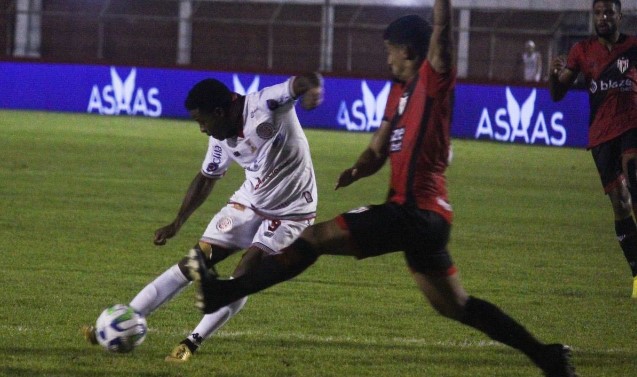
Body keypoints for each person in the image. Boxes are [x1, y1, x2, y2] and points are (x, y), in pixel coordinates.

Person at [187, 1, 577, 376]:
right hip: (424, 221)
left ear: (407, 50)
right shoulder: (397, 93)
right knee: (456, 305)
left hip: (415, 210)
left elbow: (442, 28)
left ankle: (224, 294)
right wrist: (359, 168)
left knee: (314, 238)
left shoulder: (432, 80)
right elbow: (378, 148)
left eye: (390, 51)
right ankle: (547, 358)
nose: (386, 58)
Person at [82, 73, 324, 361]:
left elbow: (303, 80)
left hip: (291, 212)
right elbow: (206, 178)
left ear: (220, 112)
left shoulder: (265, 104)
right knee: (194, 262)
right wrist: (177, 222)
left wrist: (313, 90)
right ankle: (122, 322)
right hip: (249, 203)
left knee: (243, 275)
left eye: (202, 121)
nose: (202, 129)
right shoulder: (220, 137)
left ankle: (190, 343)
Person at [549, 0, 637, 298]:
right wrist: (554, 73)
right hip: (601, 135)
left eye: (608, 13)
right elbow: (558, 94)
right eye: (598, 13)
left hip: (632, 125)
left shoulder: (634, 47)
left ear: (619, 16)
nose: (602, 18)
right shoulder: (581, 51)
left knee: (634, 173)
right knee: (621, 203)